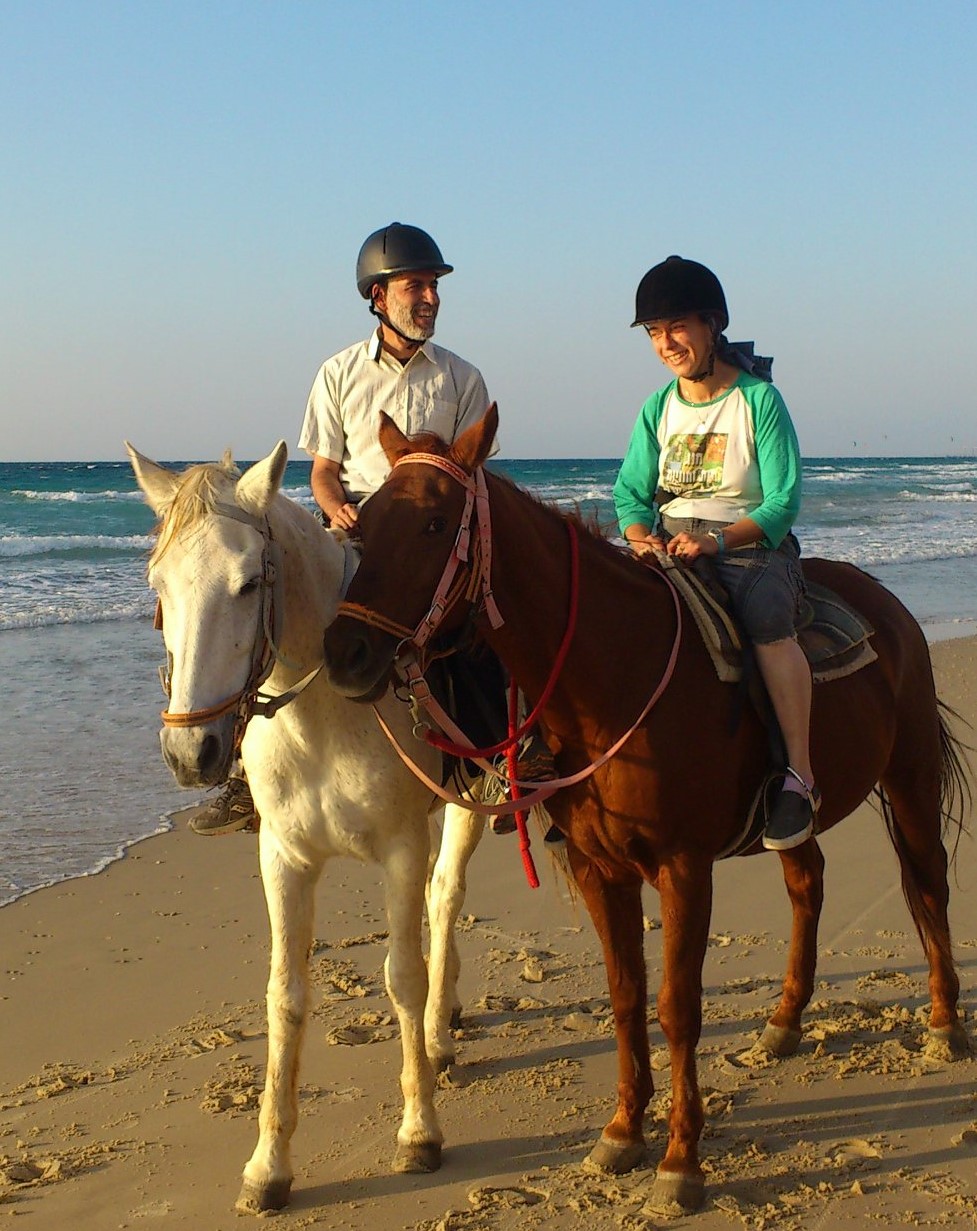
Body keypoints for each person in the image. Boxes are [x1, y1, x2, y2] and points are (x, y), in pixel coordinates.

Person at [189, 223, 553, 835]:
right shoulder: (337, 373)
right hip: (356, 521)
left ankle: (499, 757)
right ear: (378, 296)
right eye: (417, 286)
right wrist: (335, 511)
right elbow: (324, 471)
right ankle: (244, 780)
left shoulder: (462, 378)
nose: (431, 298)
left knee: (476, 620)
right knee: (265, 608)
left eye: (435, 286)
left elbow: (468, 476)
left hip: (430, 532)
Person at [613, 255, 818, 851]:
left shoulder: (758, 401)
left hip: (748, 546)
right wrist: (637, 536)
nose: (666, 343)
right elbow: (630, 493)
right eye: (654, 332)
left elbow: (783, 502)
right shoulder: (658, 408)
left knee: (767, 626)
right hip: (670, 541)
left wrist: (716, 541)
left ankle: (799, 777)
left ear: (711, 324)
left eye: (677, 327)